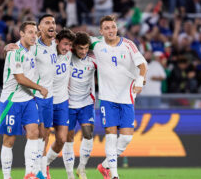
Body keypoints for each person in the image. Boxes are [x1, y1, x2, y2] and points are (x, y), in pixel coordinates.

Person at [90, 15, 147, 179]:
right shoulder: (96, 43)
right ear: (101, 31)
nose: (110, 30)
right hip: (107, 98)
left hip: (127, 96)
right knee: (111, 135)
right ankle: (114, 175)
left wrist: (140, 81)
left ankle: (105, 165)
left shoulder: (128, 45)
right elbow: (75, 40)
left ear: (117, 28)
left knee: (127, 138)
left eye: (113, 27)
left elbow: (142, 65)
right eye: (106, 28)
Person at [0, 21, 48, 179]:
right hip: (12, 100)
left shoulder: (32, 48)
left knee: (34, 133)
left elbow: (44, 35)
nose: (34, 36)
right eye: (30, 32)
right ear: (21, 34)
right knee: (9, 139)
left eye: (35, 32)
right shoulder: (15, 52)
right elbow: (20, 78)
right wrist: (39, 87)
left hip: (28, 99)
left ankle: (30, 174)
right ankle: (7, 177)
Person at [62, 32, 96, 179]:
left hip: (86, 103)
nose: (83, 51)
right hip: (68, 104)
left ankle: (81, 168)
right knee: (68, 138)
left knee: (88, 134)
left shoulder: (94, 60)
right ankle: (70, 174)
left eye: (86, 48)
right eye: (80, 48)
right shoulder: (66, 56)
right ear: (74, 47)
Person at [45, 29, 75, 175]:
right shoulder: (47, 52)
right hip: (45, 100)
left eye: (69, 45)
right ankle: (36, 170)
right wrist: (11, 46)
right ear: (56, 42)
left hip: (62, 101)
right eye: (65, 44)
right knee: (42, 138)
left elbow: (87, 43)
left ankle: (44, 165)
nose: (67, 48)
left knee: (62, 139)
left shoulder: (69, 53)